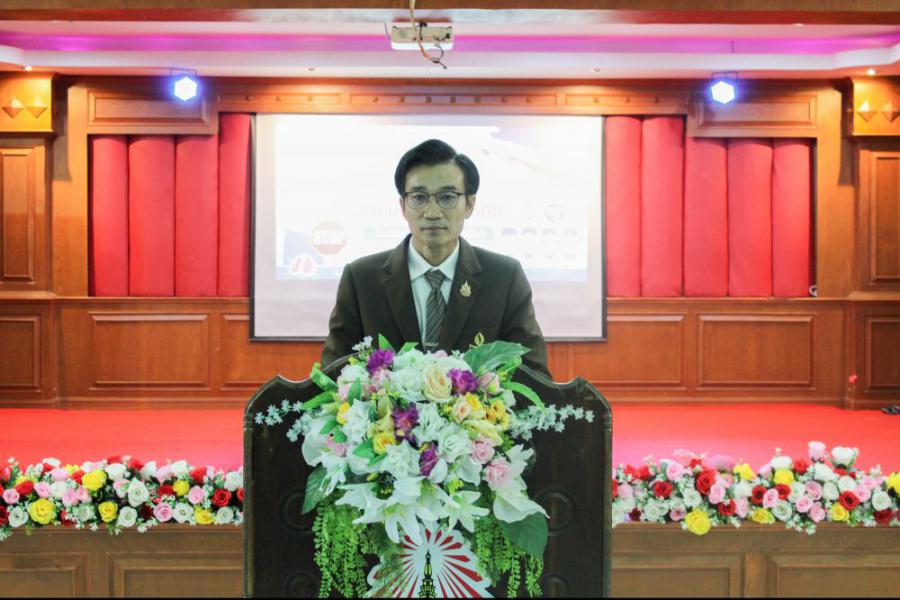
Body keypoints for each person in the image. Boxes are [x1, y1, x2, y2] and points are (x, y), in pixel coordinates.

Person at [321, 139, 550, 377]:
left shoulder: (503, 277)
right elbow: (332, 376)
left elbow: (534, 374)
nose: (432, 212)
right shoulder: (361, 279)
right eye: (419, 197)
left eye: (447, 197)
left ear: (470, 204)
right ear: (403, 206)